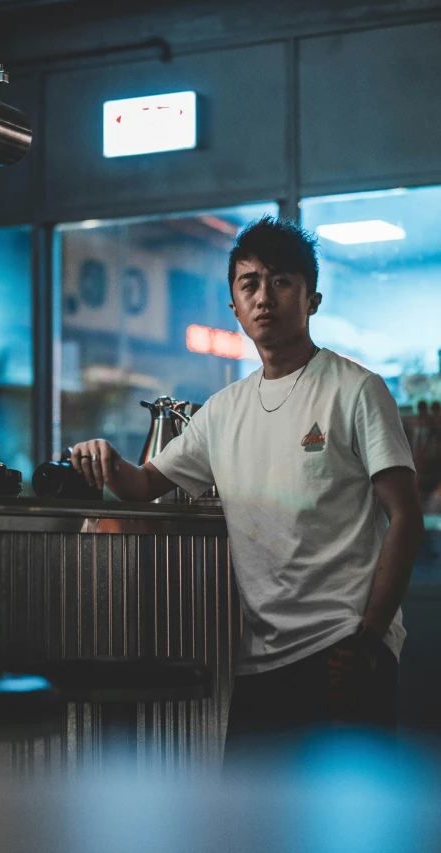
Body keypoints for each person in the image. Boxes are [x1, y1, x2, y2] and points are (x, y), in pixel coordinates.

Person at [71, 216, 424, 752]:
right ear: (233, 305)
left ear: (312, 299)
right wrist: (102, 457)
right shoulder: (222, 410)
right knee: (252, 833)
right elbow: (143, 485)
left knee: (349, 832)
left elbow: (405, 515)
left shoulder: (357, 390)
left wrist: (370, 637)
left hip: (343, 651)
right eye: (250, 283)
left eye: (282, 281)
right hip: (260, 661)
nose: (265, 297)